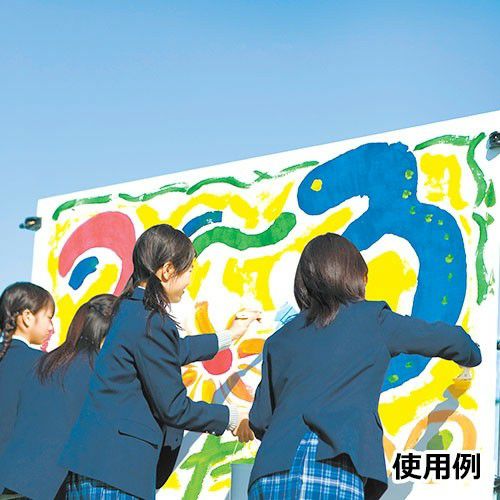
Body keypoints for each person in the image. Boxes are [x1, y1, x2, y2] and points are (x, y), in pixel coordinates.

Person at [248, 233, 481, 500]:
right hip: (330, 467)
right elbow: (445, 339)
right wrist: (472, 354)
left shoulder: (278, 340)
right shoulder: (373, 319)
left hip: (268, 474)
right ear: (353, 277)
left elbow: (260, 420)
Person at [60, 224, 260, 499]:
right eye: (189, 270)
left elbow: (169, 351)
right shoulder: (151, 321)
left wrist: (230, 336)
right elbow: (175, 408)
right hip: (117, 474)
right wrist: (232, 418)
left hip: (94, 468)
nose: (190, 280)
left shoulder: (130, 310)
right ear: (167, 270)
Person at [0, 294, 117, 500]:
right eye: (49, 317)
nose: (52, 327)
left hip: (14, 477)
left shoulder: (50, 363)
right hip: (47, 484)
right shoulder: (96, 370)